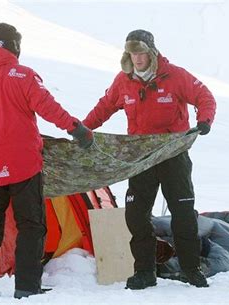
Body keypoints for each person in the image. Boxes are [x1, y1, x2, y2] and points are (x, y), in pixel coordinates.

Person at [0, 22, 94, 300]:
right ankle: (27, 288)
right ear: (15, 46)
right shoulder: (24, 75)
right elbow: (48, 107)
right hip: (23, 166)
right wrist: (75, 128)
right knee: (30, 225)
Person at [82, 29, 216, 289]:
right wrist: (83, 130)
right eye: (133, 53)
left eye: (141, 53)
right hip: (140, 157)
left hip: (173, 154)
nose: (137, 58)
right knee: (136, 215)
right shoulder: (123, 80)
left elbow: (205, 97)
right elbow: (104, 106)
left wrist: (204, 120)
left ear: (151, 52)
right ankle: (144, 271)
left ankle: (191, 270)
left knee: (183, 213)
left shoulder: (175, 75)